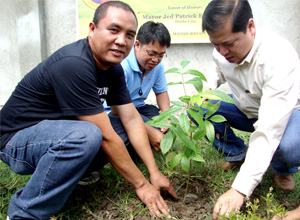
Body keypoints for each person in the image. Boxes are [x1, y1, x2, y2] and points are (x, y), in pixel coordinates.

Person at [0, 2, 177, 220]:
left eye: (129, 34)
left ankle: (68, 177)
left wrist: (154, 173)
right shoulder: (74, 63)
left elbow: (131, 119)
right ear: (92, 29)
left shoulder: (112, 69)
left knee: (121, 126)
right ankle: (23, 213)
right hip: (15, 140)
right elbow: (104, 137)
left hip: (57, 133)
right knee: (90, 135)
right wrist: (142, 185)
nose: (121, 41)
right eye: (114, 30)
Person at [199, 0, 300, 219]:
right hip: (246, 110)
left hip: (285, 114)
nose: (223, 51)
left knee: (288, 144)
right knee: (199, 107)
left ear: (251, 27)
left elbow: (269, 128)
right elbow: (214, 73)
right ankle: (238, 152)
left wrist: (239, 190)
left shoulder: (278, 56)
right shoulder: (221, 52)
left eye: (229, 44)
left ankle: (283, 169)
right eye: (216, 45)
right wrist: (203, 91)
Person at [104, 20, 171, 152]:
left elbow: (161, 92)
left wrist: (167, 116)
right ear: (137, 44)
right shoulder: (122, 66)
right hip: (115, 112)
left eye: (161, 55)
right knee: (141, 132)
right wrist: (148, 130)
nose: (155, 60)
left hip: (139, 107)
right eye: (151, 54)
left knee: (161, 125)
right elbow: (116, 110)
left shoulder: (157, 66)